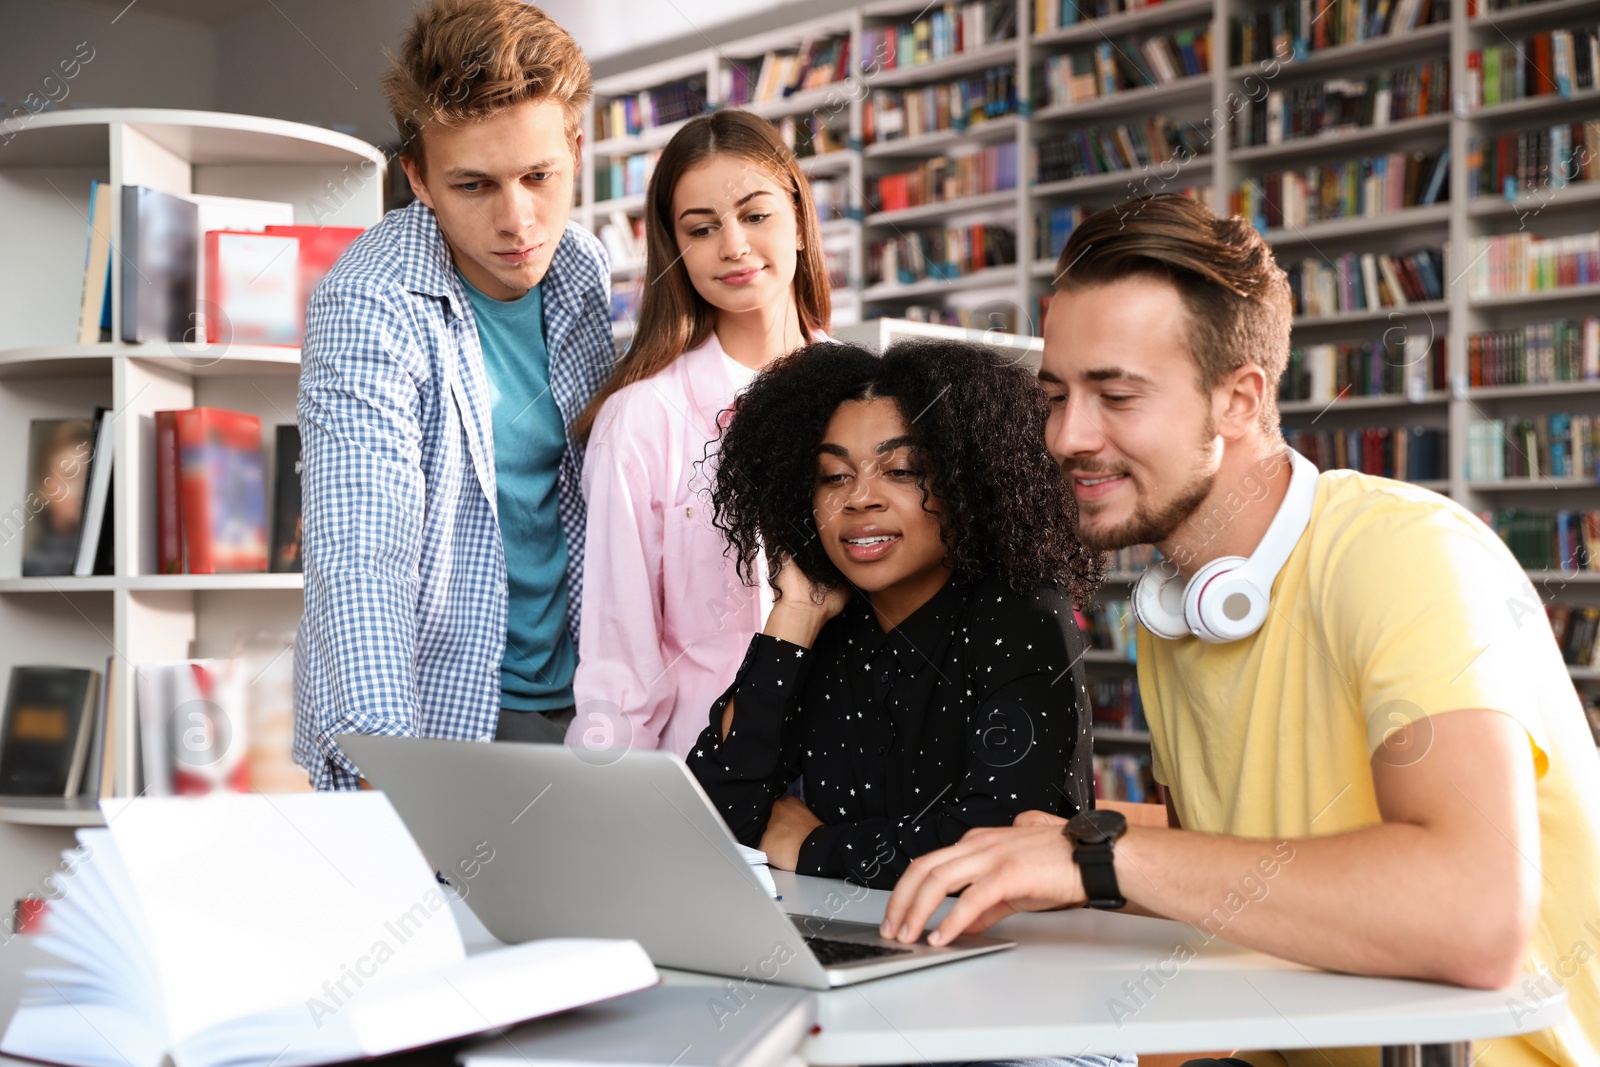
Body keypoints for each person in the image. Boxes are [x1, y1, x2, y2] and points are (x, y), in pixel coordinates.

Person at [880, 195, 1600, 1067]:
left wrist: (1100, 856)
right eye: (1057, 394)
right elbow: (1237, 870)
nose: (1067, 436)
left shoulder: (1404, 553)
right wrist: (1031, 849)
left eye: (1115, 394)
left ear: (1240, 399)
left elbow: (1474, 915)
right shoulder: (1181, 608)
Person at [294, 0, 615, 790]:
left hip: (592, 704)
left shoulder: (582, 269)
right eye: (474, 185)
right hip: (448, 713)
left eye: (539, 176)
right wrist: (391, 769)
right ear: (418, 178)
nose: (518, 222)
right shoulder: (368, 303)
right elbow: (360, 553)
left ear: (575, 148)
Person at [686, 337, 1106, 892]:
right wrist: (793, 617)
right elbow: (710, 822)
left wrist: (811, 846)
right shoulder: (828, 624)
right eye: (834, 476)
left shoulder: (1022, 612)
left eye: (901, 470)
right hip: (854, 940)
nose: (860, 498)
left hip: (1005, 954)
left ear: (968, 481)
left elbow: (997, 842)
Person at [566, 110, 829, 757]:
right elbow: (619, 655)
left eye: (755, 214)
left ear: (797, 215)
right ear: (675, 248)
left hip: (858, 783)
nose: (733, 245)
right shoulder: (639, 420)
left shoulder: (875, 398)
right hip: (706, 771)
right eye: (702, 228)